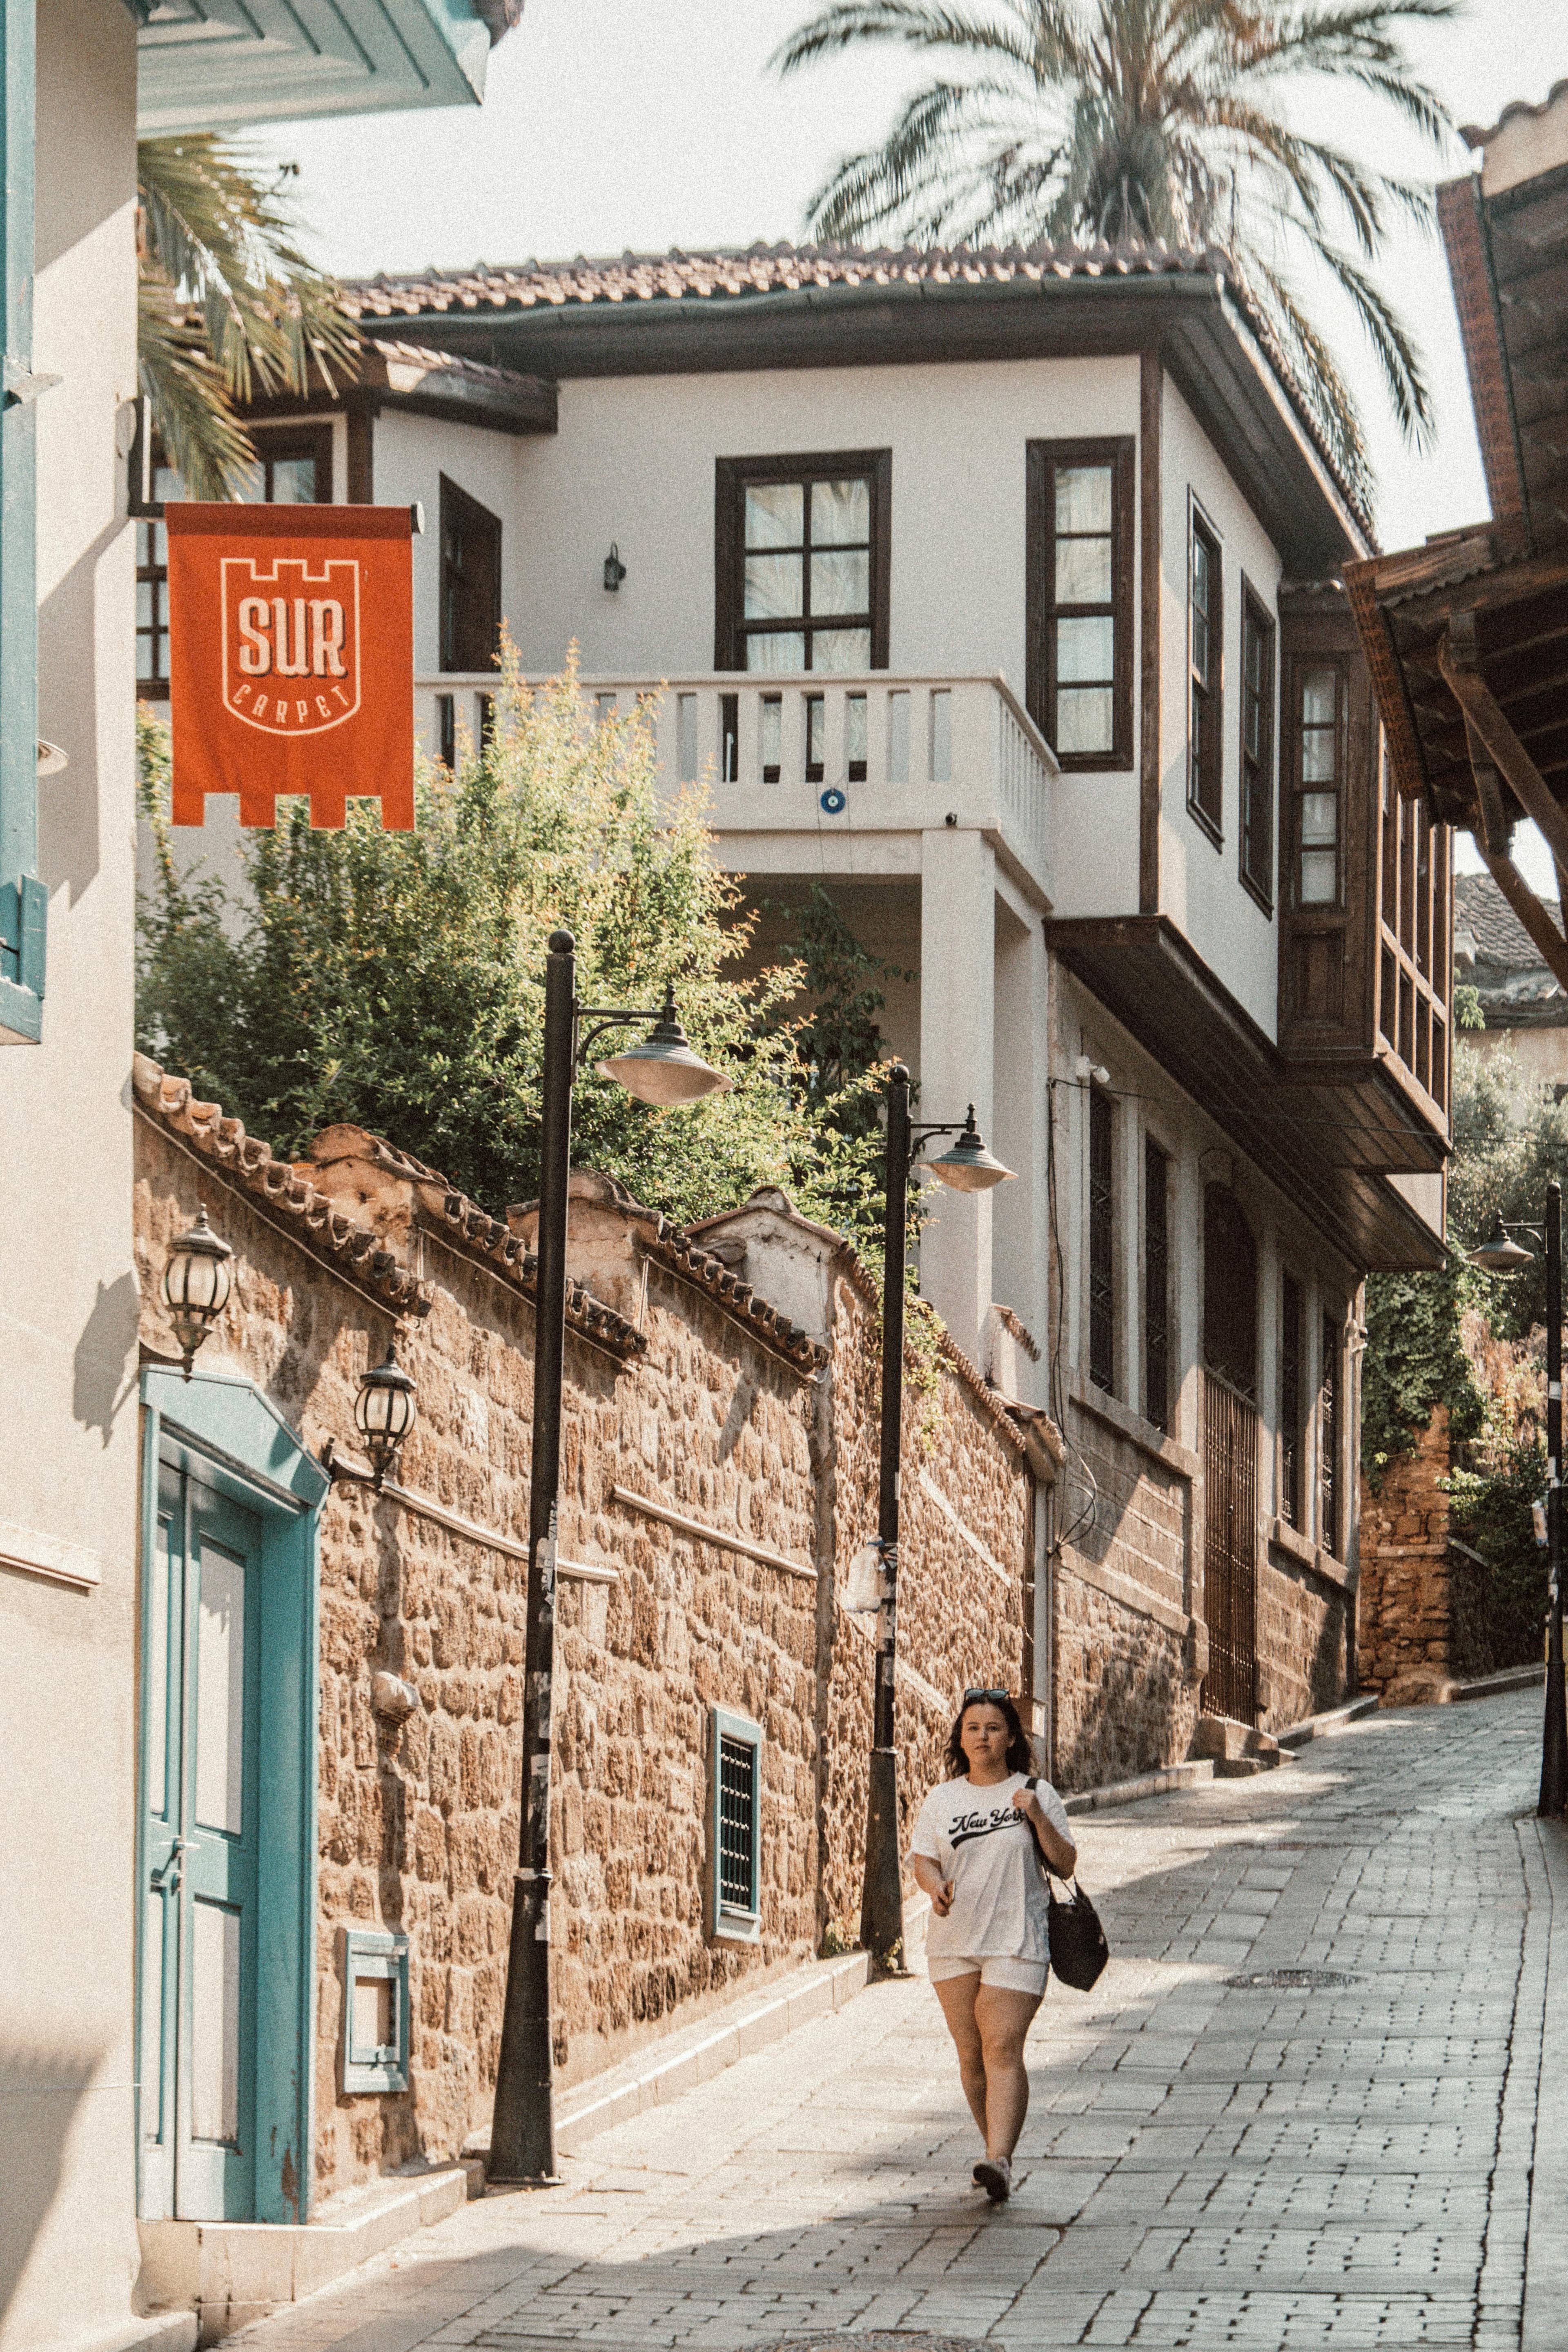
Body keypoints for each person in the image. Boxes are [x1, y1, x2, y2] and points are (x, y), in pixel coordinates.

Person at [908, 1686, 1076, 2204]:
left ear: (1010, 1739)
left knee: (1001, 2046)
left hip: (1018, 1938)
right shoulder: (943, 1799)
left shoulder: (1035, 1792)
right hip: (955, 1940)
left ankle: (1000, 2158)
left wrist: (1037, 1816)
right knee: (971, 2056)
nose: (983, 1737)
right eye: (973, 1728)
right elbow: (923, 1858)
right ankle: (994, 2152)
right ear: (961, 1738)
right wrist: (933, 1886)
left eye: (994, 1728)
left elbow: (1066, 1864)